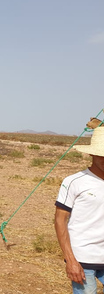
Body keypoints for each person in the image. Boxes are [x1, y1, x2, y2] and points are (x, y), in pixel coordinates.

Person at [55, 126, 104, 293]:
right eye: (101, 154)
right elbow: (60, 220)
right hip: (82, 259)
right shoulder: (74, 182)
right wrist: (71, 261)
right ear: (91, 153)